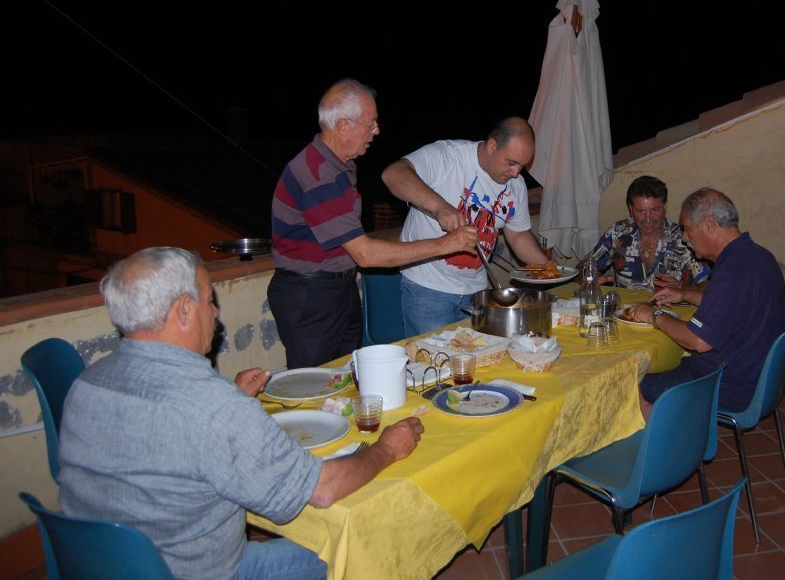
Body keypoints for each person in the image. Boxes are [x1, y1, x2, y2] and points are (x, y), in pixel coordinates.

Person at [58, 247, 424, 580]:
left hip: (92, 565)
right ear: (184, 311)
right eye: (207, 300)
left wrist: (231, 399)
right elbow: (322, 490)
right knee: (365, 541)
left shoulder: (87, 382)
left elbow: (157, 438)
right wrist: (387, 449)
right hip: (198, 573)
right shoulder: (212, 407)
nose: (215, 313)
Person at [269, 79, 477, 368]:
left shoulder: (340, 165)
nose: (376, 131)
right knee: (313, 390)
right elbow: (365, 254)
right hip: (310, 297)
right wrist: (446, 244)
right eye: (371, 124)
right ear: (343, 126)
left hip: (336, 289)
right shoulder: (319, 174)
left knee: (345, 380)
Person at [626, 188, 785, 416]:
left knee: (626, 386)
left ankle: (658, 449)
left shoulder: (734, 271)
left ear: (710, 225)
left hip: (728, 384)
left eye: (688, 229)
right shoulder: (757, 256)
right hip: (757, 377)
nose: (685, 237)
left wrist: (653, 316)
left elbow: (699, 341)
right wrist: (685, 294)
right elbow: (733, 305)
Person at [381, 117, 551, 335]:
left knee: (478, 363)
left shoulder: (515, 186)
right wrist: (440, 207)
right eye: (511, 162)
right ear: (492, 146)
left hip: (477, 291)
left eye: (522, 165)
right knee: (434, 364)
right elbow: (393, 174)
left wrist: (550, 269)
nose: (516, 173)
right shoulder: (448, 156)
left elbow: (518, 236)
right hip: (428, 288)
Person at [588, 175, 707, 290]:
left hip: (671, 310)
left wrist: (682, 288)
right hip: (627, 309)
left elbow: (708, 286)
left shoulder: (683, 239)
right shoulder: (618, 232)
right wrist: (590, 279)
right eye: (640, 211)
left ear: (665, 207)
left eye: (655, 210)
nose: (648, 218)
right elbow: (586, 266)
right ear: (631, 209)